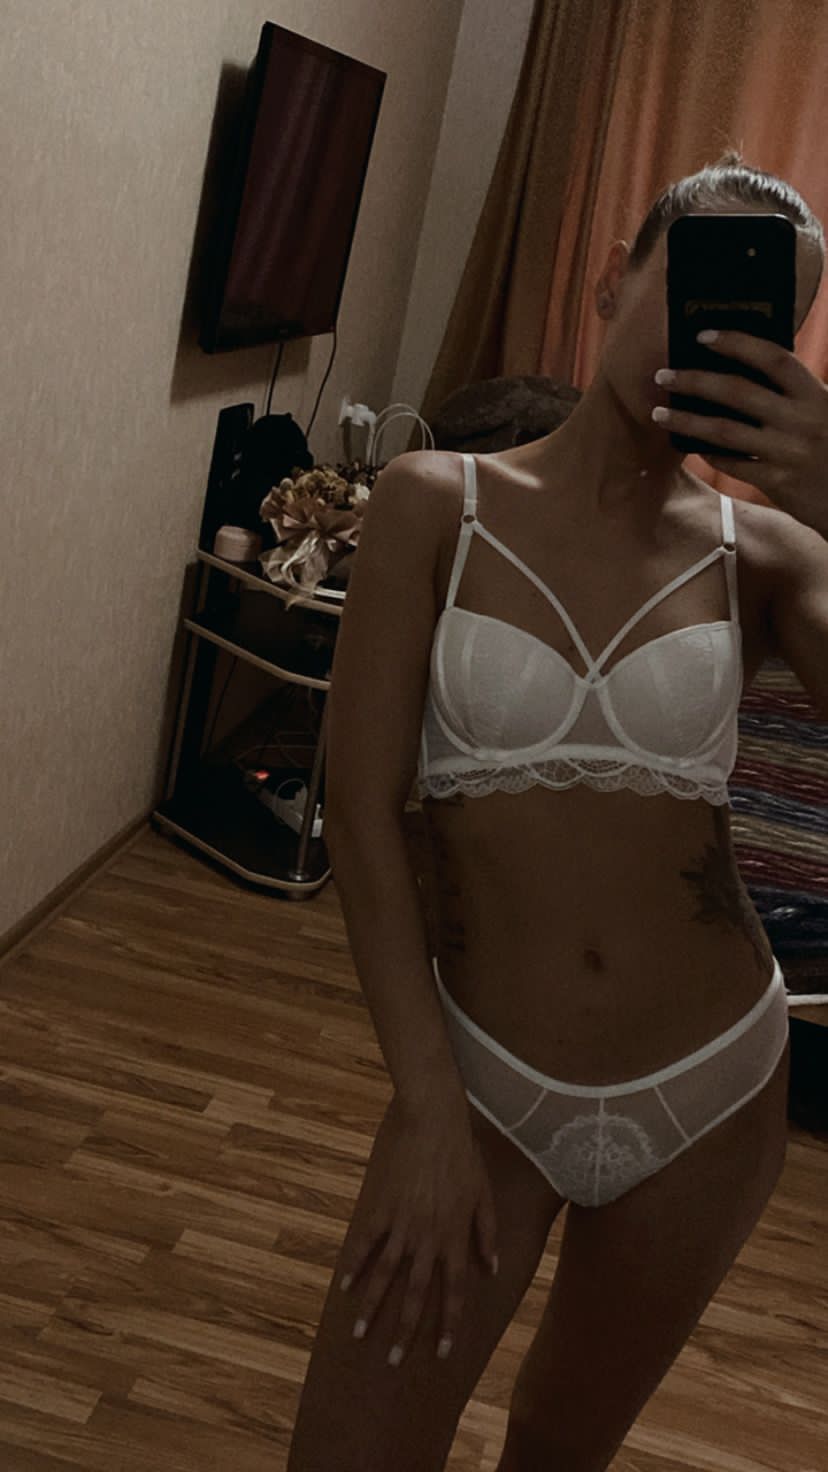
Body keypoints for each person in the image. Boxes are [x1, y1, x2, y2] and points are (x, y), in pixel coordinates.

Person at [286, 155, 825, 1472]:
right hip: (477, 1081)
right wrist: (425, 1105)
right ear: (610, 283)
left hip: (713, 1086)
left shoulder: (768, 554)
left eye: (763, 316)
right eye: (689, 283)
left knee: (558, 1448)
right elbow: (359, 810)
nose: (713, 333)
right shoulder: (435, 503)